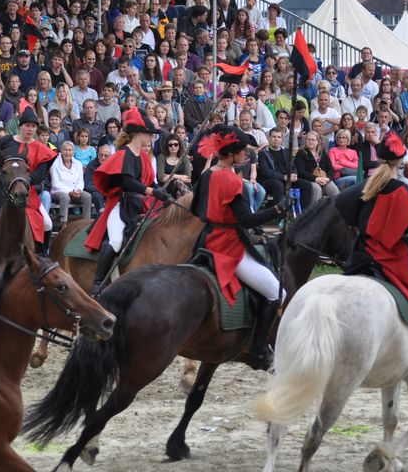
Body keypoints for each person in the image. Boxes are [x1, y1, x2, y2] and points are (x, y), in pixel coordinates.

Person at [334, 131, 408, 388]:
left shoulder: (368, 186)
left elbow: (341, 204)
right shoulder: (400, 188)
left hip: (363, 254)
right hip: (391, 257)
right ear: (401, 163)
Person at [191, 125, 289, 370]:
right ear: (232, 152)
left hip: (206, 238)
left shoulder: (207, 175)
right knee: (277, 293)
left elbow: (197, 210)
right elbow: (245, 219)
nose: (247, 154)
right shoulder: (231, 179)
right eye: (243, 150)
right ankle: (257, 348)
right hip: (228, 245)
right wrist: (277, 209)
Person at [85, 108, 173, 297]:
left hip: (139, 206)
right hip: (120, 205)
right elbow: (128, 182)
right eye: (150, 134)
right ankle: (97, 284)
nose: (151, 139)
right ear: (140, 134)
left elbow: (150, 181)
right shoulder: (122, 154)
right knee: (116, 241)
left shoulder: (143, 156)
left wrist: (163, 192)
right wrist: (152, 191)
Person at [0, 109, 57, 251]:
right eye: (27, 125)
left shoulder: (42, 149)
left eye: (33, 126)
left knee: (47, 223)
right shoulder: (5, 141)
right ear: (20, 125)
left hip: (25, 192)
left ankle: (42, 256)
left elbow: (39, 176)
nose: (30, 129)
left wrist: (19, 182)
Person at [49, 141, 92, 229]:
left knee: (87, 196)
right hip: (59, 192)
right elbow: (55, 184)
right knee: (65, 197)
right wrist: (69, 192)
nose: (67, 152)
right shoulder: (55, 164)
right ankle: (63, 224)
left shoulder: (78, 164)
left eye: (70, 150)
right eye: (65, 150)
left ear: (73, 152)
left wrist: (78, 190)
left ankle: (86, 224)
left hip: (75, 191)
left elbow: (80, 181)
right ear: (61, 150)